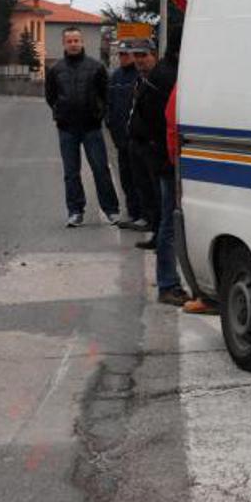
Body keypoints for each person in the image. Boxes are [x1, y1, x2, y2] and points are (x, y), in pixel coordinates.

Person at [129, 44, 193, 306]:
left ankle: (173, 282)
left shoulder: (162, 73)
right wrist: (170, 158)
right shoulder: (169, 76)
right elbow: (167, 122)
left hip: (162, 157)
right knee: (170, 222)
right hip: (168, 160)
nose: (139, 60)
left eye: (143, 55)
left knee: (170, 221)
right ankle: (168, 284)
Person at [45, 27, 121, 227]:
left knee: (100, 169)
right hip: (67, 128)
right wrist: (60, 112)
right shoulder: (55, 69)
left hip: (91, 127)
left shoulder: (96, 67)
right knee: (71, 173)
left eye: (76, 40)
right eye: (69, 41)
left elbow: (106, 94)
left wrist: (99, 114)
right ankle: (75, 211)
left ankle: (111, 210)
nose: (73, 44)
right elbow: (50, 96)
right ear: (64, 43)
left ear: (82, 42)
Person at [163, 82, 217, 315]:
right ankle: (202, 292)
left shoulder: (187, 84)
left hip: (191, 162)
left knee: (187, 225)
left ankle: (204, 292)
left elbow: (172, 124)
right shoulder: (189, 85)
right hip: (196, 162)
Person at [106, 41, 149, 232]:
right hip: (121, 138)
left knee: (139, 178)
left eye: (126, 54)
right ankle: (133, 213)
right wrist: (109, 123)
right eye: (120, 54)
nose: (123, 57)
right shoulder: (115, 76)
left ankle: (144, 215)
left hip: (136, 138)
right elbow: (109, 103)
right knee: (126, 178)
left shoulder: (140, 76)